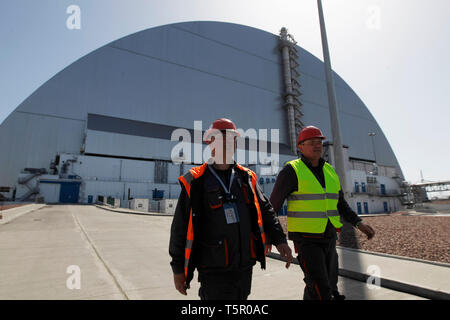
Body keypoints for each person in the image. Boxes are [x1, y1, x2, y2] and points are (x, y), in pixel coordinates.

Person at [169, 118, 293, 300]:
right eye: (221, 139)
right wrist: (178, 269)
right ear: (210, 143)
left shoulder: (246, 178)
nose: (227, 144)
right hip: (213, 271)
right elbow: (180, 228)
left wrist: (279, 239)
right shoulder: (196, 181)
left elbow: (265, 209)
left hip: (243, 268)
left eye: (231, 140)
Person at [270, 125, 375, 300]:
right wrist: (273, 238)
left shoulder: (330, 171)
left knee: (326, 285)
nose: (317, 145)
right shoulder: (291, 170)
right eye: (311, 142)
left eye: (319, 142)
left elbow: (340, 203)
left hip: (329, 237)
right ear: (300, 147)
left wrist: (358, 223)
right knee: (321, 289)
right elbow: (272, 207)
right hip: (306, 241)